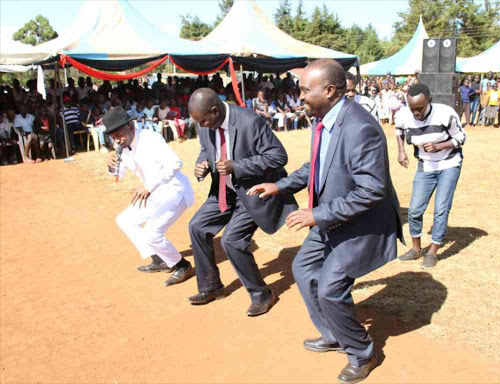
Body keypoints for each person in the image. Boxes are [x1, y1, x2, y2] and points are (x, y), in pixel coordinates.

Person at [248, 59, 403, 383]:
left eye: (306, 89)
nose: (299, 95)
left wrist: (316, 214)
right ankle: (334, 333)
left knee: (331, 288)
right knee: (303, 269)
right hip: (331, 219)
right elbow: (316, 166)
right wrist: (280, 185)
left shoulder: (361, 128)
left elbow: (371, 191)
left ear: (330, 90)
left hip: (360, 225)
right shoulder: (324, 119)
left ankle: (362, 352)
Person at [186, 88, 298, 316]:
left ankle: (261, 294)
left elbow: (278, 156)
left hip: (252, 192)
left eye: (205, 121)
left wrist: (237, 166)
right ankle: (211, 287)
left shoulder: (250, 121)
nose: (203, 126)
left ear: (215, 111)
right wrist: (202, 165)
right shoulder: (204, 121)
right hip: (224, 191)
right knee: (196, 227)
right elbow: (206, 149)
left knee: (232, 240)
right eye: (199, 122)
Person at [104, 106, 195, 286]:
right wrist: (110, 166)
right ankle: (160, 260)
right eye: (113, 137)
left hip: (174, 192)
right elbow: (118, 175)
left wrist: (149, 186)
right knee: (125, 220)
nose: (117, 140)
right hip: (154, 195)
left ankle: (182, 265)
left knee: (152, 233)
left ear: (130, 127)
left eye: (119, 134)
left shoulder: (150, 139)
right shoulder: (121, 145)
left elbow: (175, 163)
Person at [395, 83, 465, 268]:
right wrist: (401, 151)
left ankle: (433, 251)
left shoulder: (445, 113)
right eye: (413, 109)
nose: (416, 113)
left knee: (441, 209)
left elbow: (461, 138)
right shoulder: (403, 115)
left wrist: (439, 146)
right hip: (425, 166)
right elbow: (399, 130)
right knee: (415, 210)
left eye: (420, 108)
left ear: (429, 101)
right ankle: (416, 249)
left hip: (449, 164)